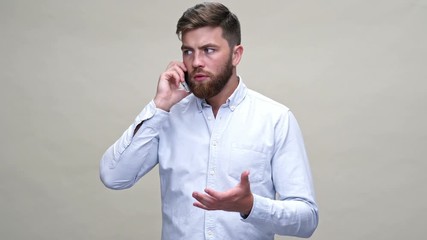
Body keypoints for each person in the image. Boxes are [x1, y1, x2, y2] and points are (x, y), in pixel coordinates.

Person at [100, 2, 318, 239]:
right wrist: (159, 105)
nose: (196, 62)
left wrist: (251, 206)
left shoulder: (275, 118)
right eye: (188, 51)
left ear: (236, 54)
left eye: (209, 50)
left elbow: (306, 220)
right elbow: (113, 176)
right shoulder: (167, 116)